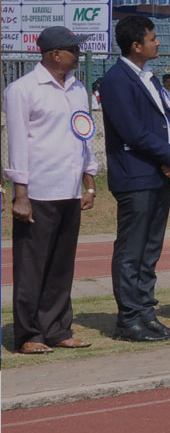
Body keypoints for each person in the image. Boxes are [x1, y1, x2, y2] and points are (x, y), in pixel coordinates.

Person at [5, 26, 98, 354]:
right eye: (73, 50)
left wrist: (90, 180)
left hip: (69, 190)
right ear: (54, 54)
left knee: (61, 265)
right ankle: (29, 334)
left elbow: (84, 134)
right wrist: (21, 194)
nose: (78, 55)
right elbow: (17, 144)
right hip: (38, 191)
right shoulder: (22, 90)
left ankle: (57, 328)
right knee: (32, 266)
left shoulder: (77, 89)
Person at [102, 15, 170, 343]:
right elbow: (132, 131)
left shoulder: (149, 77)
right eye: (153, 38)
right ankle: (128, 319)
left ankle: (147, 313)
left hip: (157, 174)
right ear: (136, 45)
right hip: (134, 175)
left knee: (150, 249)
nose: (158, 42)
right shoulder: (116, 80)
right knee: (131, 250)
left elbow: (168, 120)